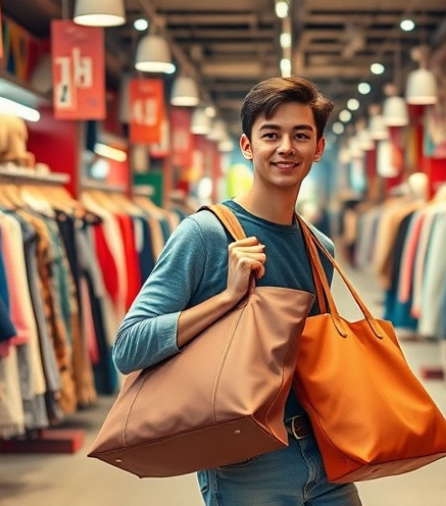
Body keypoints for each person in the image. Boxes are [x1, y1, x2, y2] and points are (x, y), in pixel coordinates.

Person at [112, 77, 361, 505]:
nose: (286, 147)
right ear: (248, 146)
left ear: (318, 148)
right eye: (271, 135)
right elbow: (129, 347)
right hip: (247, 462)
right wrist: (225, 300)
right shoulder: (205, 234)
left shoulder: (319, 247)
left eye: (301, 135)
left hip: (324, 454)